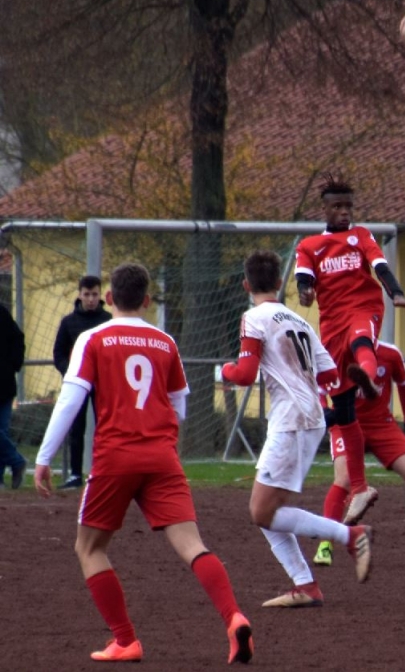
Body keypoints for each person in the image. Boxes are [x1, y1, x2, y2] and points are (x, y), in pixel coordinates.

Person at [33, 262, 254, 665]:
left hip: (116, 457)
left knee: (89, 548)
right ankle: (234, 616)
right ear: (147, 300)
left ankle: (126, 640)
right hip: (162, 457)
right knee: (193, 545)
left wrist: (44, 457)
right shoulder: (165, 342)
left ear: (109, 298)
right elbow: (179, 407)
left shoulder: (93, 338)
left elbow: (70, 400)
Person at [222, 250, 373, 608]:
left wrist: (226, 370)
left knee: (261, 512)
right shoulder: (300, 321)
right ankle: (306, 585)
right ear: (279, 283)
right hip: (310, 420)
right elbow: (330, 374)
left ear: (245, 285)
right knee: (267, 512)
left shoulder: (253, 318)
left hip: (291, 421)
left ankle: (351, 535)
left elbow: (244, 374)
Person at [295, 176, 405, 527]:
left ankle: (369, 379)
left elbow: (380, 266)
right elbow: (304, 283)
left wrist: (396, 293)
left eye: (348, 206)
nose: (345, 212)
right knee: (344, 410)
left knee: (362, 343)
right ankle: (360, 489)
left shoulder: (361, 235)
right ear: (325, 209)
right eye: (337, 206)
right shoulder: (309, 246)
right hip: (331, 325)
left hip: (363, 309)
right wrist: (305, 294)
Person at [313, 340, 405, 568]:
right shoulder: (336, 351)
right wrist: (325, 410)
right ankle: (326, 544)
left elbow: (404, 385)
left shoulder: (390, 353)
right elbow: (319, 387)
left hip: (380, 424)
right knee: (344, 478)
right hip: (345, 422)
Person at [52, 274, 112, 488]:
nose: (91, 299)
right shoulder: (69, 322)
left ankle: (103, 472)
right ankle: (75, 474)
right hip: (77, 383)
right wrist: (71, 372)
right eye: (87, 294)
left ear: (100, 294)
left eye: (94, 294)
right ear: (79, 295)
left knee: (105, 427)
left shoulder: (108, 321)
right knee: (76, 427)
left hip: (103, 384)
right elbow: (58, 353)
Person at [0, 302, 26, 489]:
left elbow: (18, 340)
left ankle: (2, 476)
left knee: (2, 430)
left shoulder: (1, 314)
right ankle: (17, 461)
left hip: (3, 385)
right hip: (5, 383)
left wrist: (12, 366)